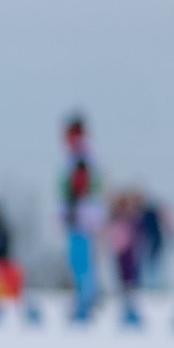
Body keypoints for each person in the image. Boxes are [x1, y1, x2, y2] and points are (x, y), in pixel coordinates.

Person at [60, 115, 103, 317]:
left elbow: (79, 185)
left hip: (81, 214)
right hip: (85, 213)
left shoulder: (80, 154)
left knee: (80, 258)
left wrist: (71, 209)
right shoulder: (85, 153)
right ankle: (86, 296)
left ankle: (86, 299)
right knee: (83, 257)